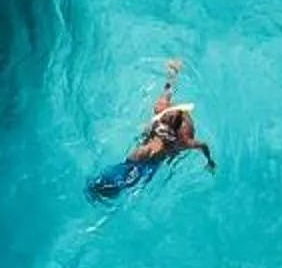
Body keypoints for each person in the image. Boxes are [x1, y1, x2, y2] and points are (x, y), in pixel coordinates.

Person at [88, 60, 217, 200]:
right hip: (152, 154)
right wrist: (173, 71)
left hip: (157, 158)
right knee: (135, 164)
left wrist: (210, 161)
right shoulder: (161, 110)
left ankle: (106, 188)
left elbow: (202, 145)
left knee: (137, 169)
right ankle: (103, 187)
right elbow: (168, 89)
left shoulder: (183, 139)